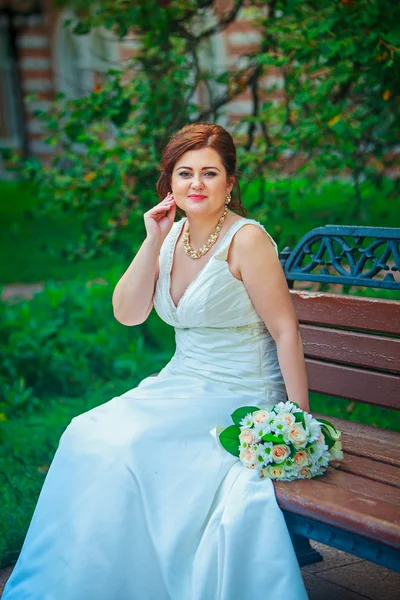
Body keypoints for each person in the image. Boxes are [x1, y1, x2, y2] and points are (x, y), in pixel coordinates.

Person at [3, 123, 310, 600]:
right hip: (181, 382)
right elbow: (127, 314)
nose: (197, 184)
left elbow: (285, 330)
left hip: (240, 390)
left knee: (130, 447)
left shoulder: (247, 241)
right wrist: (152, 238)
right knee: (85, 432)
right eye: (184, 173)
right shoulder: (173, 236)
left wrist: (299, 420)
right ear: (169, 184)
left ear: (230, 183)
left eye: (210, 173)